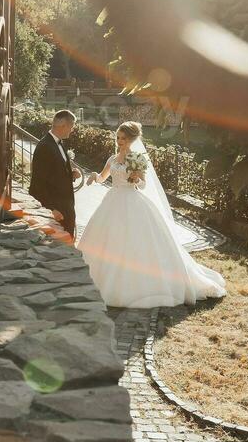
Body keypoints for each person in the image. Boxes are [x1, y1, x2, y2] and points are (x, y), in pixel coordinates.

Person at [77, 121, 225, 309]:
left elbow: (144, 185)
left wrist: (137, 178)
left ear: (131, 139)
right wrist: (94, 176)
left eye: (123, 138)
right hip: (112, 201)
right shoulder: (112, 159)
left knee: (137, 242)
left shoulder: (137, 158)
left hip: (132, 201)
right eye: (118, 138)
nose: (119, 141)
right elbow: (102, 177)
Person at [29, 110, 83, 237]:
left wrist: (71, 174)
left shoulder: (57, 143)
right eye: (72, 126)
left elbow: (55, 173)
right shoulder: (45, 147)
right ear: (63, 125)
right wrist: (51, 209)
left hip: (65, 206)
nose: (72, 130)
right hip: (56, 209)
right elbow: (38, 182)